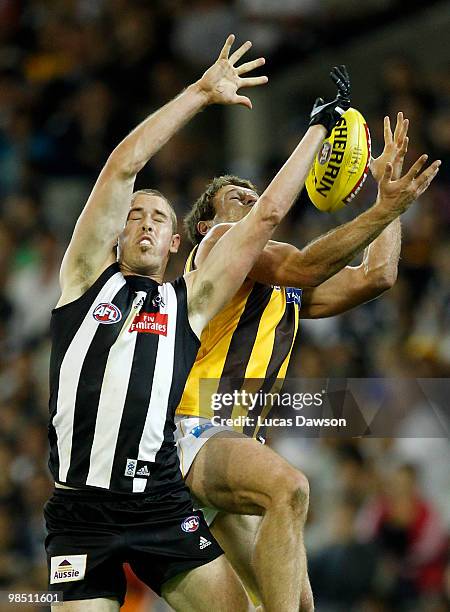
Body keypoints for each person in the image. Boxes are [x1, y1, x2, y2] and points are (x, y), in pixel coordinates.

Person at [44, 35, 356, 611]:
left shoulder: (188, 303)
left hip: (160, 501)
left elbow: (263, 220)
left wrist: (318, 130)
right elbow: (124, 165)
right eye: (134, 214)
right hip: (81, 515)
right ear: (117, 234)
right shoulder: (85, 280)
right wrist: (200, 93)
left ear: (173, 242)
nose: (143, 222)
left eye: (158, 218)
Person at [174, 113, 441, 611]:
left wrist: (388, 200)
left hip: (232, 443)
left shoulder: (282, 291)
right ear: (207, 224)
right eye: (238, 198)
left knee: (294, 604)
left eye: (256, 196)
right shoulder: (215, 246)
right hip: (191, 427)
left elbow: (376, 277)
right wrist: (381, 212)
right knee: (290, 487)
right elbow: (302, 264)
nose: (253, 202)